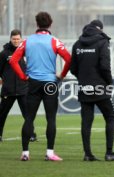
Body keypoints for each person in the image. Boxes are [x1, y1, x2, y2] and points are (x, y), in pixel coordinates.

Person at [9, 12, 71, 161]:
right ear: (50, 24)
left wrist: (23, 76)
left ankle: (25, 153)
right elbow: (69, 59)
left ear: (37, 24)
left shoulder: (27, 41)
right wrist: (61, 75)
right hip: (50, 82)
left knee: (29, 118)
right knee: (51, 119)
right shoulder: (55, 41)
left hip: (33, 83)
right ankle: (49, 153)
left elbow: (13, 61)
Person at [70, 20, 114, 161]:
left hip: (83, 87)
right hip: (100, 87)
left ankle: (87, 154)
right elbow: (105, 66)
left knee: (86, 121)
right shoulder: (102, 42)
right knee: (111, 117)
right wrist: (108, 82)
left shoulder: (77, 44)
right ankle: (109, 153)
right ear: (100, 28)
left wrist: (83, 79)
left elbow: (73, 68)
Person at [0, 29, 37, 142]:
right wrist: (5, 80)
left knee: (28, 115)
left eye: (18, 39)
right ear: (10, 39)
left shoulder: (27, 52)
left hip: (23, 89)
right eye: (14, 39)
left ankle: (31, 134)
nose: (16, 41)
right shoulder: (4, 54)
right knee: (2, 115)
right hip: (8, 90)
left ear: (21, 39)